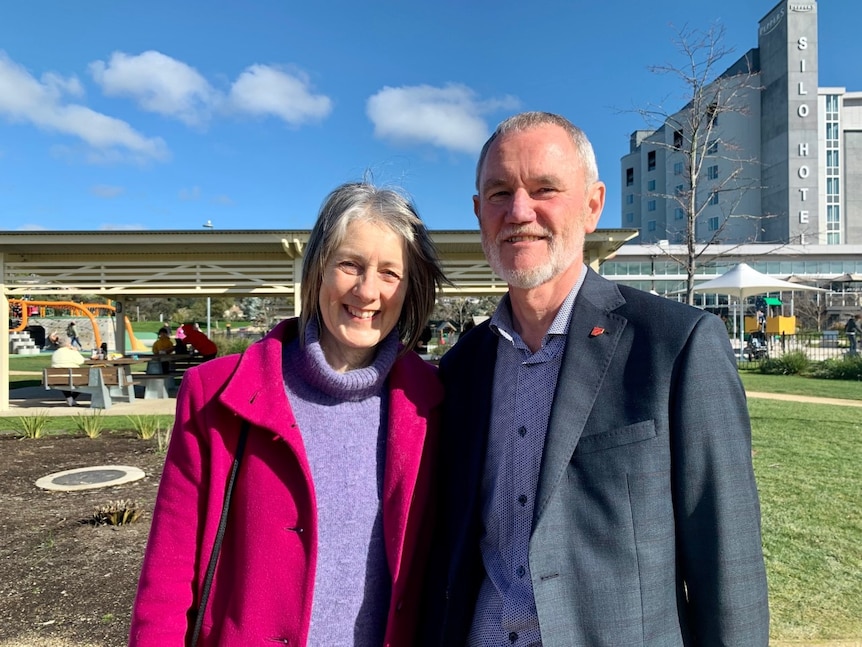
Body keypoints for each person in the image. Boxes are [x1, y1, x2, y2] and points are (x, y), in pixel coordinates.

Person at [421, 112, 769, 646]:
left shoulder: (676, 347)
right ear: (477, 213)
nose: (519, 211)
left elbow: (728, 566)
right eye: (498, 193)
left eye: (545, 189)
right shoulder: (463, 368)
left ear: (592, 205)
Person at [130, 181, 447, 646]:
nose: (366, 291)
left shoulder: (431, 402)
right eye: (350, 265)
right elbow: (168, 574)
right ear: (318, 269)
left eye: (389, 273)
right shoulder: (215, 395)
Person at [51, 335, 86, 406]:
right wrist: (76, 351)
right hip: (74, 377)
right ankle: (71, 398)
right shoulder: (72, 352)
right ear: (67, 344)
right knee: (86, 380)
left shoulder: (55, 353)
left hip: (57, 378)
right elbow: (81, 361)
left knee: (64, 380)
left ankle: (70, 399)